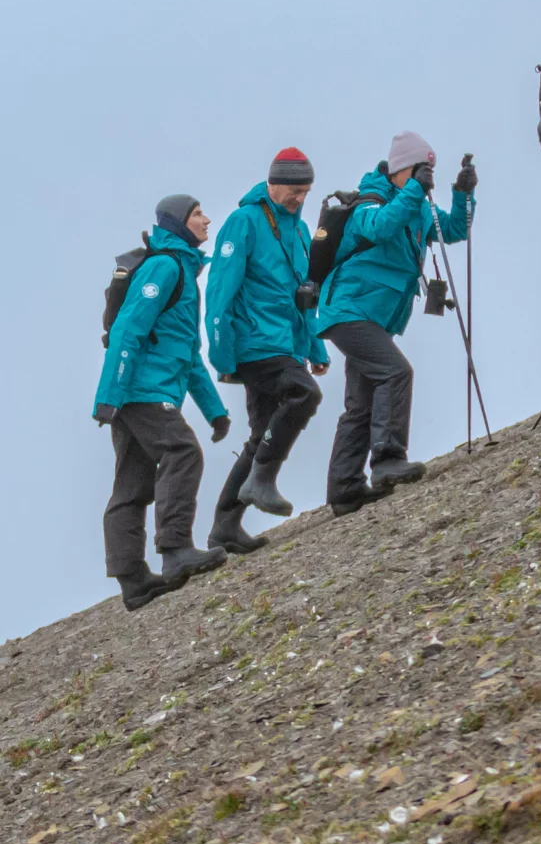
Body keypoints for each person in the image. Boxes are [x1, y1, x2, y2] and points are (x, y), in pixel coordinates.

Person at [316, 131, 476, 515]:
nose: (428, 175)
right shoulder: (369, 200)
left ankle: (344, 489)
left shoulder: (417, 205)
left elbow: (454, 230)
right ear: (402, 169)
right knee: (395, 372)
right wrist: (414, 192)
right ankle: (387, 460)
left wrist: (463, 193)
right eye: (423, 169)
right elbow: (381, 227)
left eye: (431, 169)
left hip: (373, 316)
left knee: (361, 401)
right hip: (348, 310)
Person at [94, 195, 230, 612]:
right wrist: (109, 395)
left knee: (133, 483)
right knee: (182, 451)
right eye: (197, 214)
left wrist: (215, 410)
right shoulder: (165, 267)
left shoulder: (185, 272)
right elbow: (127, 331)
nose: (207, 219)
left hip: (144, 392)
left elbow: (188, 355)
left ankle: (133, 579)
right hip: (139, 391)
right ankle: (175, 548)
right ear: (177, 223)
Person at [205, 147, 330, 551]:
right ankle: (263, 480)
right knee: (304, 394)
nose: (301, 198)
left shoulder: (299, 230)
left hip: (285, 343)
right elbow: (219, 293)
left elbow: (304, 295)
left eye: (307, 191)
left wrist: (316, 347)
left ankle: (224, 527)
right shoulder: (243, 222)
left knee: (262, 433)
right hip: (254, 343)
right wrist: (222, 356)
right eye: (296, 190)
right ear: (274, 184)